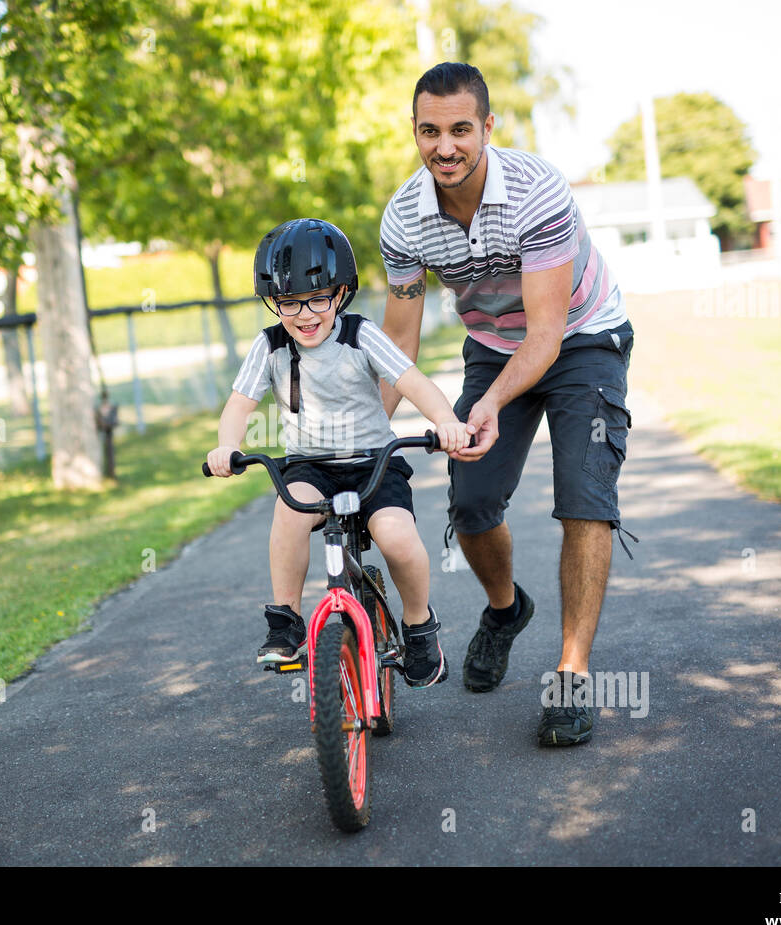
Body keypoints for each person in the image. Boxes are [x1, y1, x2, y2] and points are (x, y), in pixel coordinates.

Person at [378, 63, 637, 746]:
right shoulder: (404, 217)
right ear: (414, 131)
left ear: (487, 128)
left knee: (584, 498)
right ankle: (504, 609)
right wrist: (361, 433)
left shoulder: (537, 192)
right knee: (469, 500)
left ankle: (572, 676)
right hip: (494, 346)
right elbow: (394, 348)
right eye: (430, 131)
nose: (445, 146)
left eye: (461, 129)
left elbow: (547, 334)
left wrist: (488, 404)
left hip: (582, 338)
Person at [207, 218, 470, 687]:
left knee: (396, 538)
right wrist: (227, 446)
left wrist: (445, 421)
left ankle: (418, 625)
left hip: (373, 462)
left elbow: (412, 382)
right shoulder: (269, 346)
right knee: (288, 513)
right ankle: (286, 621)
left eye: (318, 299)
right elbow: (238, 406)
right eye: (288, 303)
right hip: (311, 466)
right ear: (274, 303)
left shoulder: (360, 334)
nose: (305, 314)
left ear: (342, 293)